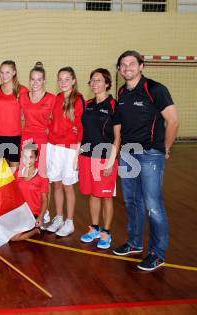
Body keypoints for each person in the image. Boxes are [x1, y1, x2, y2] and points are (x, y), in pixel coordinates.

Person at [112, 50, 179, 271]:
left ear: (142, 66)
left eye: (132, 63)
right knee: (132, 201)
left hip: (151, 154)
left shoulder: (156, 90)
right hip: (128, 154)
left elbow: (173, 121)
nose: (127, 67)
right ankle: (134, 242)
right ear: (120, 69)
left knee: (153, 205)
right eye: (123, 64)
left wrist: (165, 149)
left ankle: (158, 253)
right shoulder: (122, 91)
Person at [79, 68, 121, 250]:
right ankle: (94, 228)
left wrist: (111, 162)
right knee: (92, 194)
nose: (94, 84)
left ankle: (106, 232)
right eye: (92, 81)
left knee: (106, 197)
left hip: (105, 158)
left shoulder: (114, 105)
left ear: (107, 83)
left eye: (98, 80)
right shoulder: (87, 104)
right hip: (86, 157)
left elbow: (118, 137)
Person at [46, 67, 84, 237]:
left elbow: (81, 127)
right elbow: (51, 121)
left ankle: (70, 221)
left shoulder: (79, 99)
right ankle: (59, 217)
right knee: (57, 184)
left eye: (67, 79)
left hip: (69, 149)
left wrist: (77, 154)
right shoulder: (57, 98)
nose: (63, 82)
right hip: (53, 147)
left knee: (68, 186)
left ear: (74, 80)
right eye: (60, 79)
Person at [0, 60, 28, 169]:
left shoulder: (23, 90)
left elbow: (28, 112)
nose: (4, 75)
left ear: (14, 72)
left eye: (7, 72)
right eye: (2, 72)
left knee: (14, 171)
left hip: (15, 136)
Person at [19, 62, 55, 176]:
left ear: (44, 81)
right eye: (33, 79)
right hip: (26, 138)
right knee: (26, 173)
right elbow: (18, 118)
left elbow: (57, 120)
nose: (35, 83)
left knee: (43, 175)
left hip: (43, 139)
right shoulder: (23, 97)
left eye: (39, 80)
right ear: (29, 80)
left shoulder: (51, 98)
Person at [11, 143, 49, 241]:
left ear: (36, 158)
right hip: (19, 212)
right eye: (25, 157)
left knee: (14, 238)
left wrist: (40, 217)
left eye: (31, 157)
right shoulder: (17, 173)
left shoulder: (42, 176)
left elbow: (45, 200)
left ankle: (36, 230)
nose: (28, 160)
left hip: (32, 213)